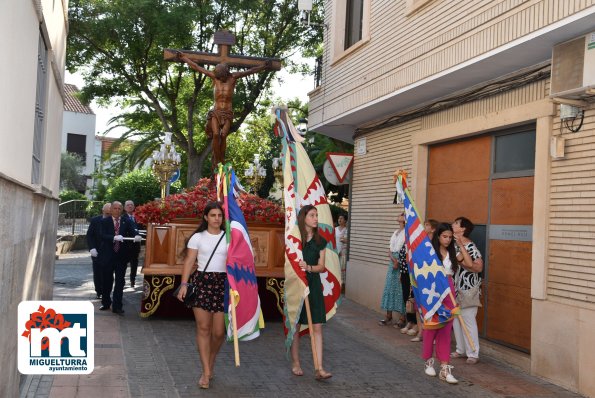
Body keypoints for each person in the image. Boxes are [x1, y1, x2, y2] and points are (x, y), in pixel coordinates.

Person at [176, 51, 274, 167]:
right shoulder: (215, 78)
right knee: (216, 134)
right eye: (218, 77)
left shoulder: (233, 78)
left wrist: (264, 66)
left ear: (226, 73)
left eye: (221, 76)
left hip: (227, 113)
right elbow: (197, 67)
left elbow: (250, 71)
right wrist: (184, 58)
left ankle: (221, 159)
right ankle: (217, 161)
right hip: (216, 112)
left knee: (223, 135)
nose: (220, 79)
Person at [177, 202, 228, 389]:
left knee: (219, 332)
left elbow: (240, 258)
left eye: (219, 215)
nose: (216, 218)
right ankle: (206, 371)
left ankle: (211, 360)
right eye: (213, 215)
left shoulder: (228, 237)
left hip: (223, 284)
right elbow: (189, 261)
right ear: (206, 217)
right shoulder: (197, 237)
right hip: (201, 283)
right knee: (203, 328)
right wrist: (184, 284)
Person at [290, 205, 333, 380]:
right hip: (296, 285)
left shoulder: (320, 241)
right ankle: (296, 362)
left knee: (317, 327)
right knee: (296, 326)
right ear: (304, 218)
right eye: (312, 215)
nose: (316, 218)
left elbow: (322, 267)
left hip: (313, 285)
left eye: (317, 215)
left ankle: (319, 367)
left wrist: (308, 267)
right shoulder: (294, 240)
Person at [423, 223, 459, 384]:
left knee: (446, 329)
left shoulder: (453, 252)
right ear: (438, 236)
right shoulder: (430, 253)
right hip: (433, 291)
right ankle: (429, 360)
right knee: (431, 328)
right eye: (445, 236)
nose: (448, 239)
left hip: (449, 291)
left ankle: (445, 367)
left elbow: (471, 265)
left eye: (450, 237)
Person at [451, 216, 484, 364]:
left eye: (456, 223)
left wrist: (461, 261)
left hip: (468, 288)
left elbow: (478, 267)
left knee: (468, 319)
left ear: (463, 229)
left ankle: (473, 353)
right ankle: (461, 349)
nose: (453, 224)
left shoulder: (470, 246)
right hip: (454, 287)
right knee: (456, 319)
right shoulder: (450, 244)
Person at [99, 201, 141, 314]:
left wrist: (136, 235)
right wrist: (113, 237)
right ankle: (106, 302)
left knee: (120, 281)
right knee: (107, 281)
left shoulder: (125, 220)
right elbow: (101, 235)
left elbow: (134, 230)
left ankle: (117, 306)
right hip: (107, 256)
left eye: (119, 209)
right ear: (111, 209)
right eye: (115, 208)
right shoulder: (104, 221)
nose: (117, 210)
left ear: (122, 210)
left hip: (121, 257)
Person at [411, 218, 439, 342]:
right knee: (419, 306)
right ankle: (421, 332)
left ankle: (432, 335)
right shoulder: (422, 241)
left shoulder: (436, 244)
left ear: (433, 229)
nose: (424, 227)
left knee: (432, 308)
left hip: (432, 279)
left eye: (427, 225)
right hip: (421, 277)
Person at [378, 213, 406, 327]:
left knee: (400, 289)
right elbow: (389, 249)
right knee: (389, 287)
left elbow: (405, 250)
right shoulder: (395, 232)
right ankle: (388, 316)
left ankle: (402, 318)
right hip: (392, 260)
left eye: (402, 215)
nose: (399, 216)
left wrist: (397, 262)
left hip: (401, 261)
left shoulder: (407, 233)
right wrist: (393, 260)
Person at [86, 203, 111, 299]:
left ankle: (107, 291)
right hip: (97, 251)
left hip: (109, 251)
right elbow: (90, 235)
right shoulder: (95, 220)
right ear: (103, 210)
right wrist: (92, 248)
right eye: (107, 211)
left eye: (110, 211)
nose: (109, 212)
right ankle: (99, 291)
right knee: (97, 272)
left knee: (108, 272)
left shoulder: (114, 220)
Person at [123, 200, 141, 288]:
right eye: (128, 205)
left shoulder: (138, 217)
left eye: (131, 205)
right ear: (125, 207)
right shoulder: (122, 218)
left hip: (135, 245)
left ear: (134, 207)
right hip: (125, 245)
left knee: (134, 264)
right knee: (123, 264)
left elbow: (140, 229)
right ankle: (121, 280)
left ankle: (132, 280)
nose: (130, 206)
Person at [335, 214, 348, 290]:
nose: (339, 220)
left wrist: (344, 240)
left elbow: (346, 240)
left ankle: (342, 286)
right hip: (335, 251)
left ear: (345, 220)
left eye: (341, 218)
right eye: (339, 218)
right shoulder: (335, 229)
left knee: (342, 268)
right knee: (336, 268)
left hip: (342, 253)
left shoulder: (346, 230)